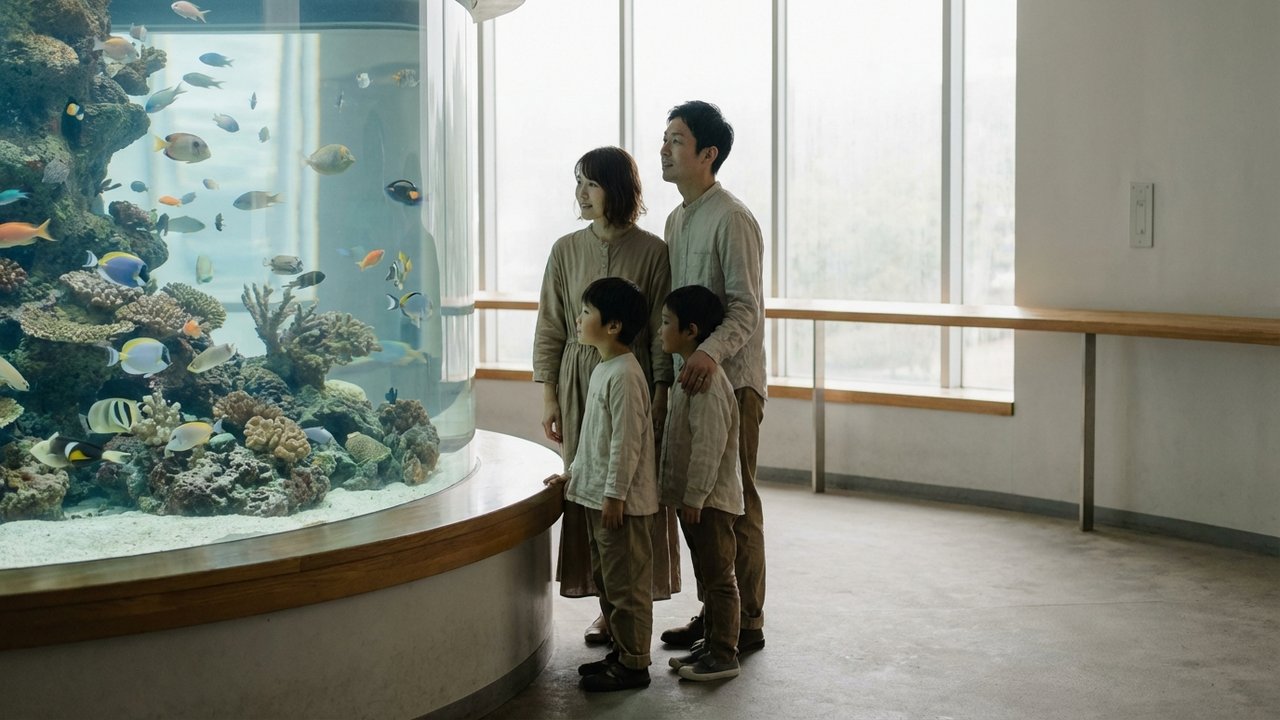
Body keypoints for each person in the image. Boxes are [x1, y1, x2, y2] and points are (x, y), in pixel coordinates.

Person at [533, 146, 681, 646]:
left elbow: (662, 329)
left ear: (616, 189)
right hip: (578, 383)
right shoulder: (564, 249)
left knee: (628, 490)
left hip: (630, 380)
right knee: (587, 491)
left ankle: (629, 609)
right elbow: (552, 326)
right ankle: (605, 605)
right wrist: (549, 395)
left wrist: (662, 389)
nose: (581, 193)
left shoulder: (654, 251)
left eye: (591, 183)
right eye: (578, 182)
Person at [658, 101, 767, 652]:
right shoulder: (676, 219)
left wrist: (710, 354)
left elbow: (746, 309)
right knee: (696, 505)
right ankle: (716, 612)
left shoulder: (732, 217)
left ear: (708, 154)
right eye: (665, 138)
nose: (665, 148)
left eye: (677, 140)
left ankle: (746, 622)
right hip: (689, 382)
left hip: (733, 382)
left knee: (733, 501)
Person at [544, 277, 658, 692]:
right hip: (597, 498)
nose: (578, 318)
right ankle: (622, 653)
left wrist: (615, 495)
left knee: (626, 586)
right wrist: (571, 473)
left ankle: (634, 665)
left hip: (620, 505)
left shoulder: (626, 374)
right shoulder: (603, 368)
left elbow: (625, 442)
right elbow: (593, 435)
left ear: (612, 325)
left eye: (587, 312)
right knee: (609, 582)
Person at [658, 285, 744, 682]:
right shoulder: (686, 372)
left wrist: (694, 495)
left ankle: (724, 654)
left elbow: (709, 446)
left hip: (709, 501)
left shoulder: (706, 382)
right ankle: (709, 644)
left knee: (719, 578)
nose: (660, 330)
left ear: (690, 330)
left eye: (666, 323)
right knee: (706, 575)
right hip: (694, 501)